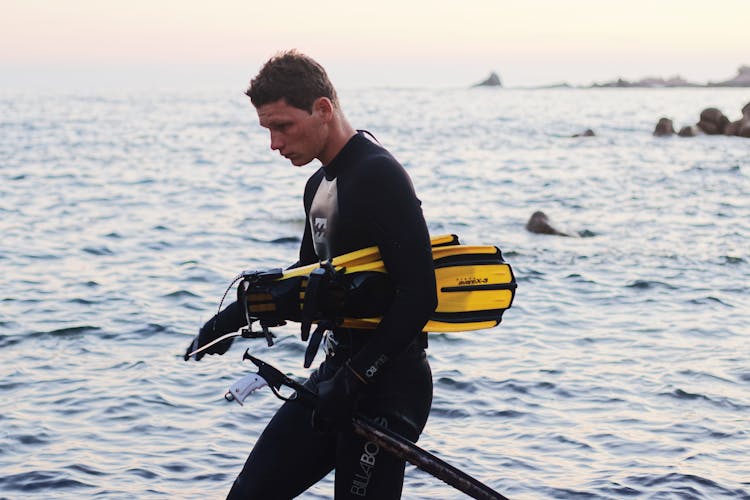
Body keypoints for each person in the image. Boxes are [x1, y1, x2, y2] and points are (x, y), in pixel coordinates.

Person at [185, 49, 437, 499]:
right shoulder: (318, 186)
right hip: (337, 373)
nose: (274, 143)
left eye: (283, 126)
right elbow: (303, 287)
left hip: (388, 386)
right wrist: (233, 317)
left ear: (323, 109)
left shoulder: (379, 174)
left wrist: (357, 378)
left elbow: (420, 295)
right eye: (267, 129)